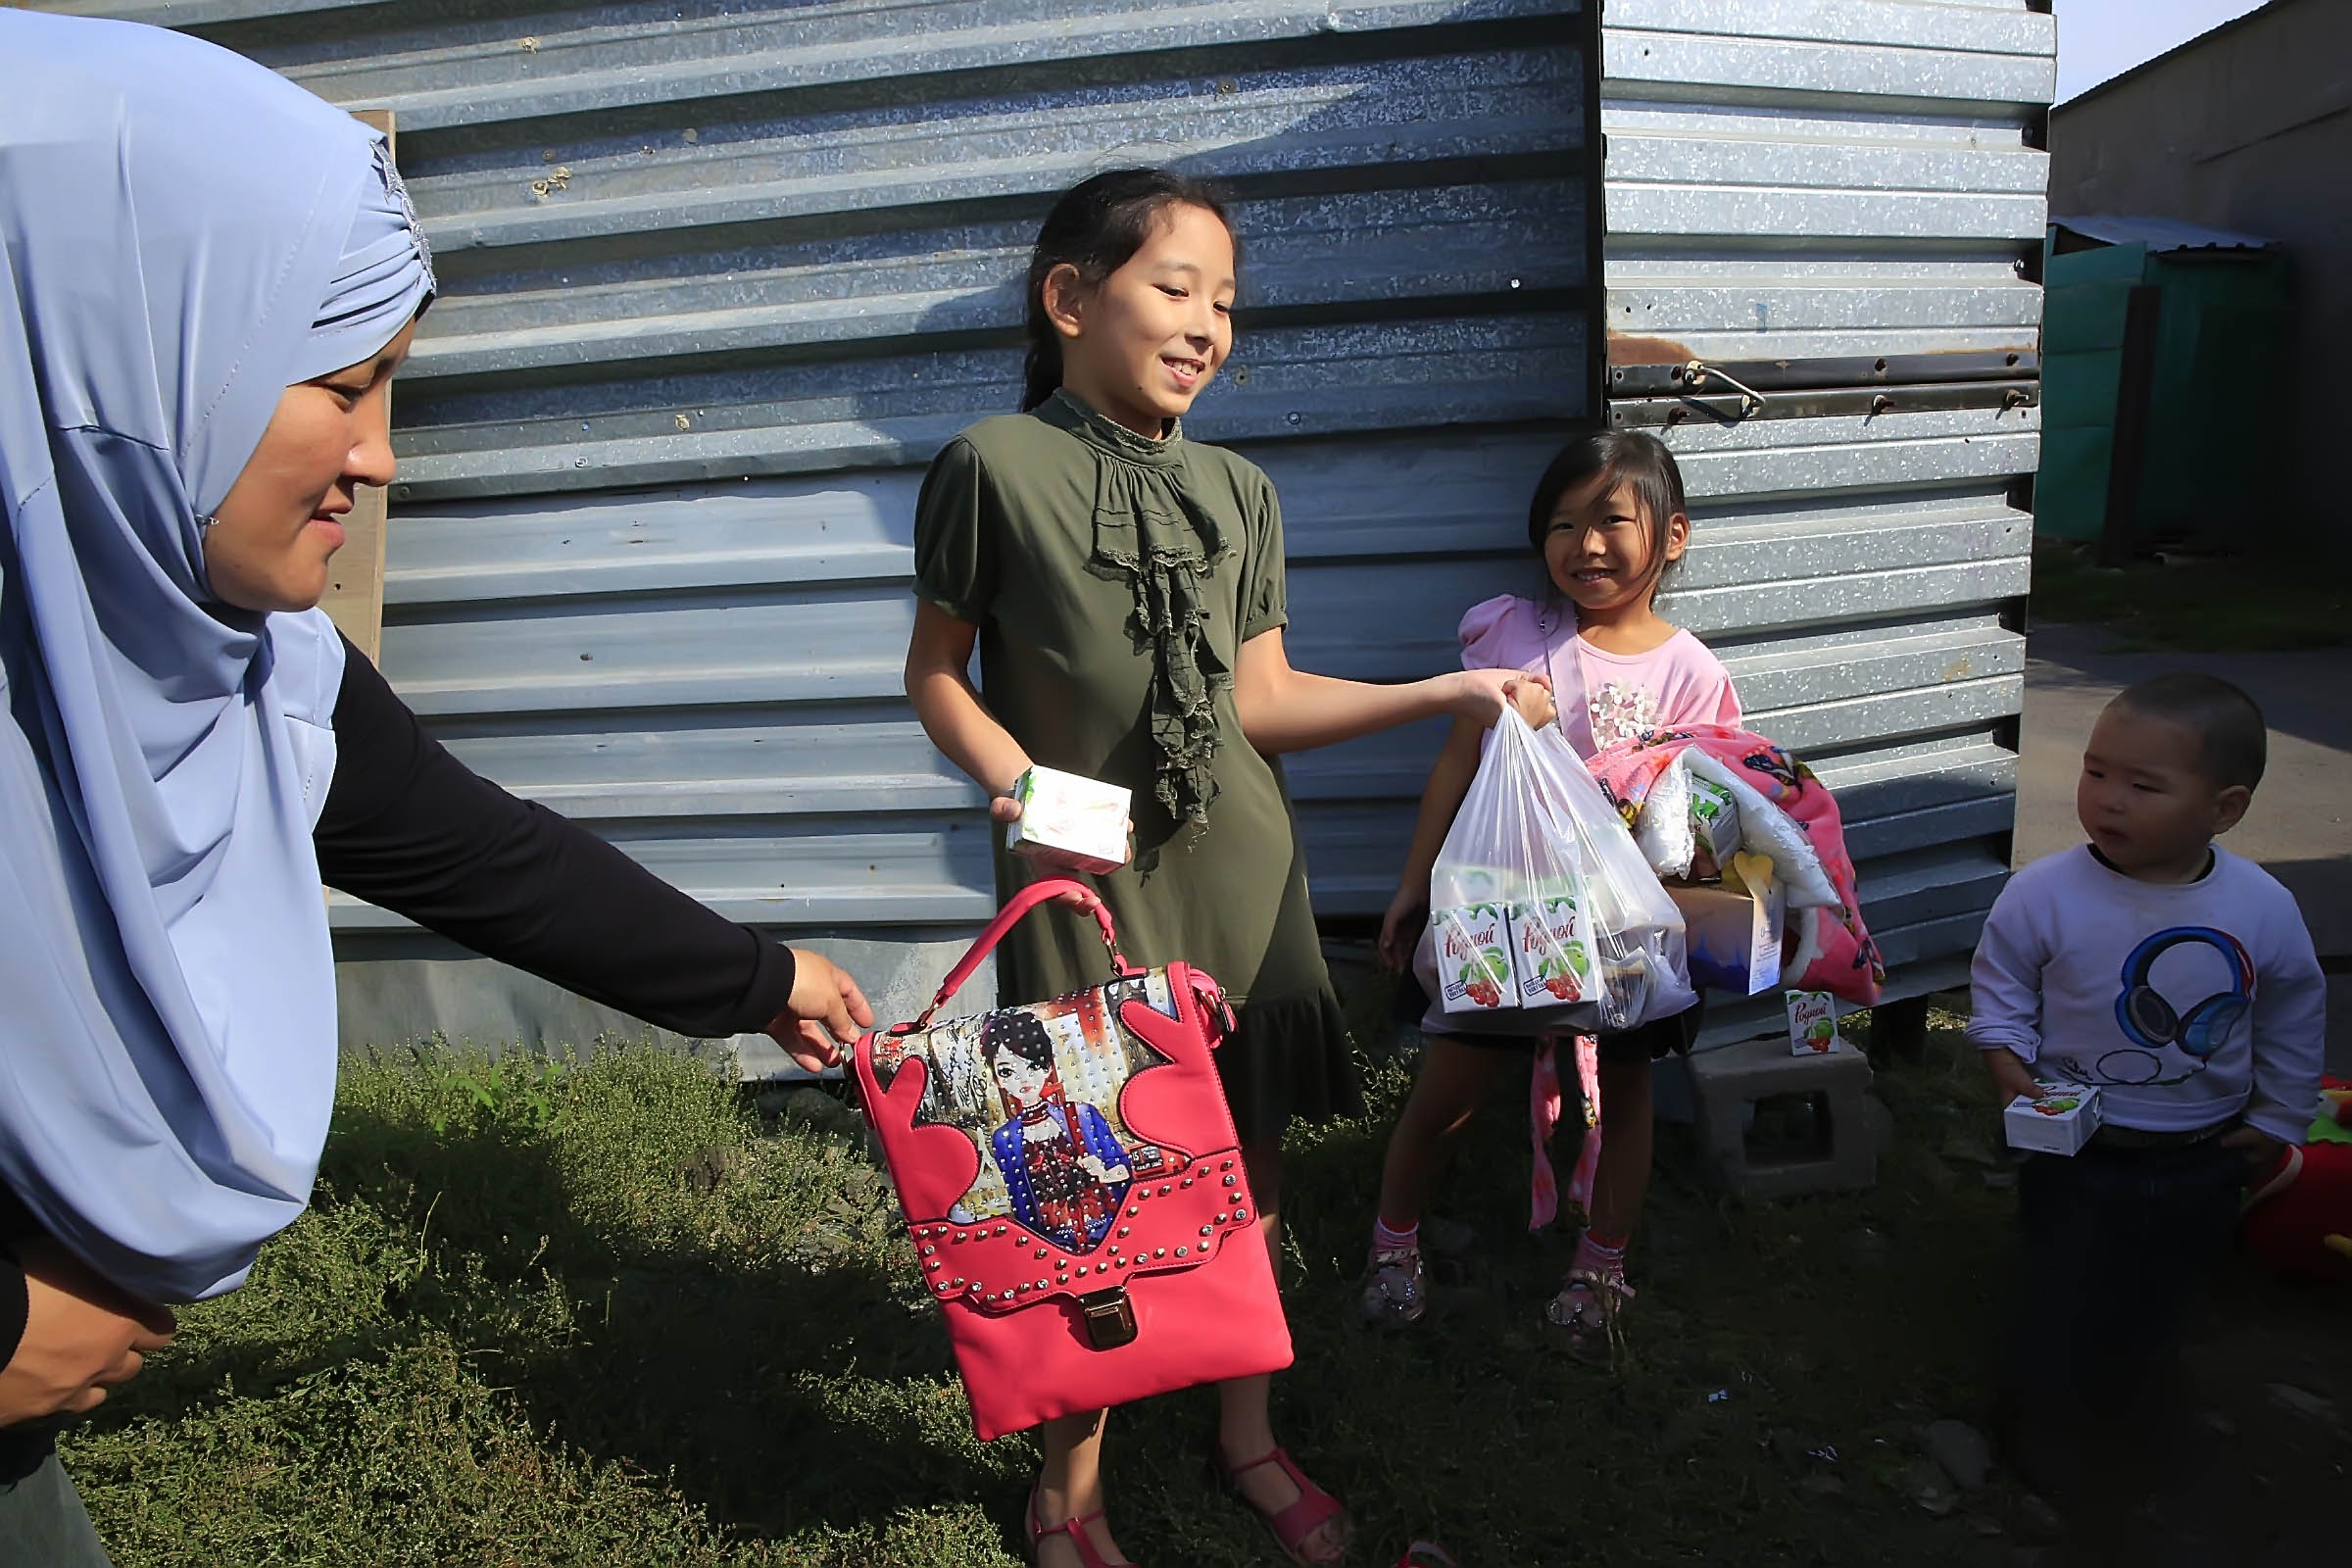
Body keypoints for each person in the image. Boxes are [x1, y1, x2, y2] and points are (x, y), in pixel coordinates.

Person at [0, 16, 873, 1558]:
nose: (381, 458)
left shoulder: (247, 669)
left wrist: (762, 978)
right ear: (124, 357)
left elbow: (479, 855)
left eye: (388, 388)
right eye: (341, 387)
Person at [903, 169, 1543, 1568]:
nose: (1207, 326)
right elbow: (936, 674)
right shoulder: (991, 467)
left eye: (1228, 303)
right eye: (1174, 289)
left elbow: (1263, 700)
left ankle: (1246, 1434)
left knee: (1241, 1160)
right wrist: (1025, 790)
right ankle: (1068, 1489)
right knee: (1083, 1170)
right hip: (1082, 878)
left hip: (1242, 866)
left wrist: (1447, 691)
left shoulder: (1241, 491)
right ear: (1070, 299)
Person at [1362, 430, 1740, 1356]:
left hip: (1624, 930)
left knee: (1626, 1092)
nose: (1586, 545)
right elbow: (1458, 762)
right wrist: (1414, 884)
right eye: (1562, 524)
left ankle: (1602, 1264)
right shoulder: (1510, 635)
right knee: (1450, 1085)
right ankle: (1392, 1241)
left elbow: (1706, 816)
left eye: (1611, 520)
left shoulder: (1689, 672)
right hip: (1499, 910)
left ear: (1673, 536)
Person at [1968, 673, 2325, 1495]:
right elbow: (2002, 987)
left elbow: (2294, 1014)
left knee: (2168, 1285)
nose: (2108, 798)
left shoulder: (2261, 906)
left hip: (2207, 1150)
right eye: (2096, 771)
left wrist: (2281, 1116)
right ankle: (2041, 1419)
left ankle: (2135, 1395)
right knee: (2062, 1283)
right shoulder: (2043, 893)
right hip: (2074, 1146)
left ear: (2224, 808)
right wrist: (2005, 1064)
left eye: (2143, 784)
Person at [983, 1010, 1135, 1252]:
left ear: (1047, 1067)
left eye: (1033, 1066)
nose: (1023, 1079)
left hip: (1108, 1232)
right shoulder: (1005, 1138)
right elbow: (1021, 1202)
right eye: (1007, 1071)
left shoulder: (1082, 1114)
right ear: (997, 1079)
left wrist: (1104, 1173)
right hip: (1052, 1246)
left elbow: (1125, 1170)